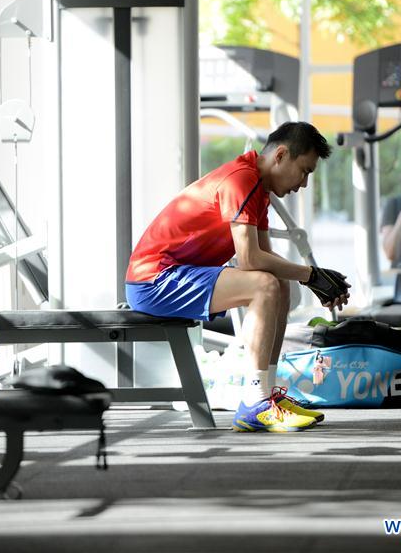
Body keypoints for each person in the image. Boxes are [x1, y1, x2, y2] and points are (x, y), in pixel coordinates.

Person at [124, 122, 349, 433]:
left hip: (177, 275)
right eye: (304, 171)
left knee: (277, 285)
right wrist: (311, 275)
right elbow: (250, 259)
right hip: (154, 280)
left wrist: (312, 278)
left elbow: (266, 262)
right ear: (281, 155)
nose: (304, 183)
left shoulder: (259, 190)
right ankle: (255, 402)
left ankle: (266, 395)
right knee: (264, 285)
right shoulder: (241, 180)